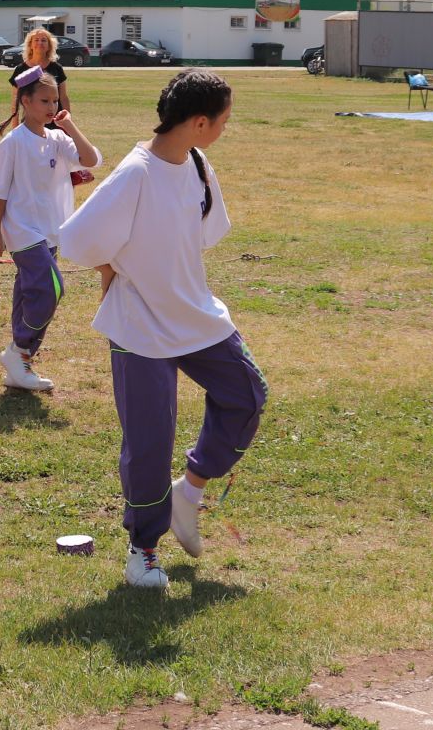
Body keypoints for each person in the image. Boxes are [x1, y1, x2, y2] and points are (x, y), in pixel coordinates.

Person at [60, 68, 266, 592]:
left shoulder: (197, 163)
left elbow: (198, 235)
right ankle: (143, 550)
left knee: (246, 395)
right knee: (150, 442)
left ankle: (188, 493)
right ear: (199, 122)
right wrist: (112, 268)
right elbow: (77, 242)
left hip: (195, 314)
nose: (224, 129)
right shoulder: (135, 174)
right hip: (140, 326)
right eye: (222, 121)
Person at [0, 65, 100, 392]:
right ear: (25, 102)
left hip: (50, 231)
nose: (51, 108)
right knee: (52, 288)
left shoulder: (58, 138)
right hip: (21, 230)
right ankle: (18, 350)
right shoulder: (13, 143)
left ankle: (21, 365)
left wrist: (70, 125)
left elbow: (90, 160)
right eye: (44, 101)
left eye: (55, 101)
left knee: (28, 294)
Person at [6, 27, 71, 122]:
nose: (40, 43)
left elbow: (64, 97)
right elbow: (15, 100)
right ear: (30, 45)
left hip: (54, 121)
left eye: (44, 40)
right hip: (31, 122)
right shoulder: (21, 69)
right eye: (36, 40)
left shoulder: (57, 68)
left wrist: (68, 123)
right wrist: (15, 124)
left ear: (49, 46)